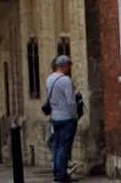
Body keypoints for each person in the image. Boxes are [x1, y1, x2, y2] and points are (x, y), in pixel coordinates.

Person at [46, 55, 79, 183]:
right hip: (66, 117)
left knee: (57, 146)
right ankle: (61, 175)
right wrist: (75, 115)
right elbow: (70, 101)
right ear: (64, 66)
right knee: (64, 147)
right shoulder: (65, 80)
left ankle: (56, 173)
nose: (69, 69)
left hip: (55, 117)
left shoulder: (49, 79)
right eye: (69, 66)